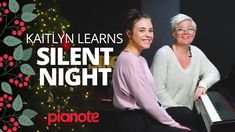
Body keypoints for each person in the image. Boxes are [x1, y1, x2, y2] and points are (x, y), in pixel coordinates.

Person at [112, 9, 192, 132]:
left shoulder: (141, 60)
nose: (148, 35)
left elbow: (151, 98)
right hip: (136, 123)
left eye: (150, 30)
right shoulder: (129, 61)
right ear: (129, 34)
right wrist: (174, 124)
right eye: (142, 30)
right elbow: (148, 103)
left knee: (186, 113)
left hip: (146, 114)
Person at [150, 13, 220, 130]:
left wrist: (202, 85)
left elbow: (214, 73)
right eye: (180, 29)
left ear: (194, 32)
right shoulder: (164, 53)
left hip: (187, 113)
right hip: (164, 111)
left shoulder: (196, 52)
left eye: (190, 29)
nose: (186, 32)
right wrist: (182, 111)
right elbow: (157, 91)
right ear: (174, 33)